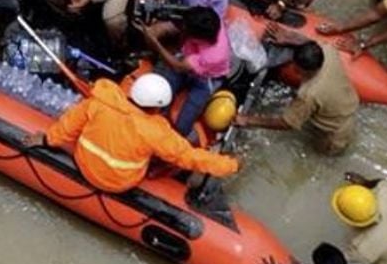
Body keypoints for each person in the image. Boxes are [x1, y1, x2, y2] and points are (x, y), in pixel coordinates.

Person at [23, 75, 240, 193]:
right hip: (121, 182)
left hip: (85, 164)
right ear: (159, 107)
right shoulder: (156, 131)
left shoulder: (100, 101)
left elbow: (68, 126)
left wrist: (46, 139)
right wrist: (231, 165)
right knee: (173, 156)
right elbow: (189, 156)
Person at [236, 29, 359, 155]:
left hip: (333, 134)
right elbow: (312, 44)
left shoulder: (309, 94)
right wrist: (290, 39)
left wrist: (248, 120)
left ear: (304, 71)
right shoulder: (328, 52)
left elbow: (287, 123)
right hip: (346, 108)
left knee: (319, 156)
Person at [136, 6, 230, 142]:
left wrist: (155, 43)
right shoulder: (213, 20)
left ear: (198, 38)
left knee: (182, 127)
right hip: (187, 60)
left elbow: (178, 66)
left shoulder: (213, 55)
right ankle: (159, 115)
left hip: (206, 79)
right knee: (159, 95)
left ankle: (192, 141)